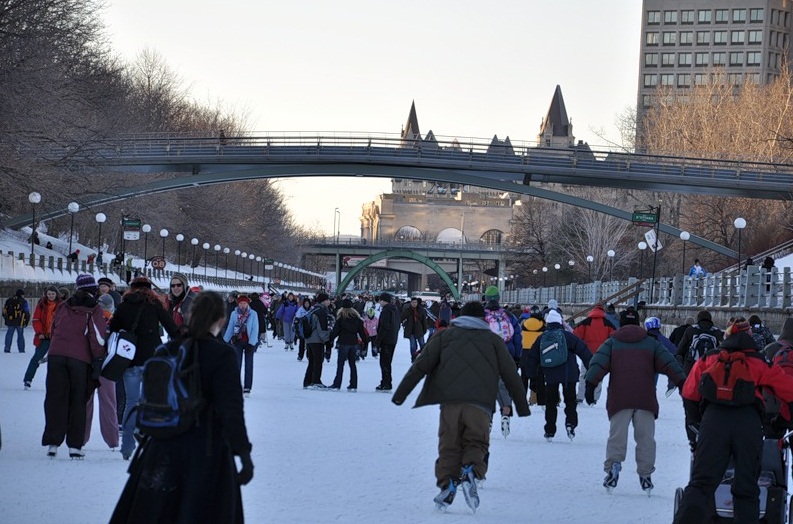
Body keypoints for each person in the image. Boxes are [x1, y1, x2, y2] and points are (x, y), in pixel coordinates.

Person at [110, 291, 253, 524]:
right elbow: (231, 409)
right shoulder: (222, 355)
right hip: (205, 450)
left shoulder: (167, 350)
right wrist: (243, 454)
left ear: (190, 315)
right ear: (221, 319)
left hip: (161, 448)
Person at [392, 300, 530, 513]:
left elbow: (420, 366)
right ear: (483, 320)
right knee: (476, 441)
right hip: (481, 404)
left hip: (450, 402)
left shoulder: (444, 336)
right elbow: (510, 374)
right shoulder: (494, 340)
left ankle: (447, 485)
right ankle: (471, 472)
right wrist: (521, 406)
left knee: (449, 444)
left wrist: (401, 394)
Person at [674, 318, 793, 523]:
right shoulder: (758, 361)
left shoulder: (709, 359)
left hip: (713, 421)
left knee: (701, 483)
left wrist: (694, 427)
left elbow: (689, 393)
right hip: (748, 423)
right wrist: (781, 422)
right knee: (746, 487)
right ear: (749, 337)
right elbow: (788, 391)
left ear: (726, 336)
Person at [585, 308, 686, 494]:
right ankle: (646, 473)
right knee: (646, 438)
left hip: (619, 398)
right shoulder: (650, 343)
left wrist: (590, 385)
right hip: (645, 398)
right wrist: (681, 382)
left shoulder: (612, 342)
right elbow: (669, 362)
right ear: (639, 323)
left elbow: (597, 363)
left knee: (617, 436)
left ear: (621, 323)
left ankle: (614, 466)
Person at [110, 276, 180, 460]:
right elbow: (172, 329)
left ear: (131, 289)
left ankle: (126, 447)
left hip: (129, 359)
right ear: (150, 289)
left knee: (131, 403)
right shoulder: (155, 305)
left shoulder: (123, 306)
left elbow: (112, 329)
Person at [41, 274, 106, 459]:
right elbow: (98, 337)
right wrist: (98, 358)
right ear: (93, 289)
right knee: (78, 400)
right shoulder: (94, 308)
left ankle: (53, 443)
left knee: (55, 397)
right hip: (80, 359)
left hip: (56, 355)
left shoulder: (64, 305)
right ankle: (74, 446)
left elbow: (54, 327)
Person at [525, 309, 591, 441]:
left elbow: (532, 357)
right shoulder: (568, 336)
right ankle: (570, 424)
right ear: (560, 322)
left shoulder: (542, 337)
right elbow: (583, 350)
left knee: (551, 403)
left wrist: (531, 374)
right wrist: (591, 366)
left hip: (550, 375)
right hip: (569, 375)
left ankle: (550, 430)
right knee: (570, 401)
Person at [675, 309, 724, 450]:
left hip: (691, 373)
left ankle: (693, 438)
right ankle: (710, 437)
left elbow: (680, 350)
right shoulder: (717, 332)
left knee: (690, 408)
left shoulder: (691, 330)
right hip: (712, 375)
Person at [482, 286, 523, 437]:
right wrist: (517, 357)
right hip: (507, 355)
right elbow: (518, 337)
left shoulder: (481, 316)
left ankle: (488, 418)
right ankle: (505, 413)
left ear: (485, 299)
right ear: (499, 299)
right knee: (504, 387)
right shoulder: (508, 315)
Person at [84, 293, 119, 450]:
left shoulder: (89, 318)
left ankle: (81, 438)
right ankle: (112, 440)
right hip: (107, 366)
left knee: (85, 402)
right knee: (109, 403)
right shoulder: (115, 321)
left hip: (90, 363)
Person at [573, 303, 617, 403]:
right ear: (603, 311)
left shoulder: (585, 322)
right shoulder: (608, 323)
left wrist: (581, 347)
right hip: (602, 354)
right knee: (598, 376)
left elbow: (576, 335)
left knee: (584, 375)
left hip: (586, 353)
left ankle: (580, 396)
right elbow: (614, 338)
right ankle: (594, 398)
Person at [23, 286, 60, 389]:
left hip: (56, 338)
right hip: (44, 337)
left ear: (56, 294)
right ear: (46, 294)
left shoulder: (61, 306)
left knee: (57, 361)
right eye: (49, 294)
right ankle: (28, 379)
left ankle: (55, 383)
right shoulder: (41, 305)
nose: (51, 296)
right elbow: (36, 319)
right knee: (36, 358)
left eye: (53, 294)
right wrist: (39, 333)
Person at [328, 298, 368, 391]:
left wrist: (330, 340)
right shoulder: (357, 319)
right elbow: (362, 332)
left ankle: (337, 384)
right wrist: (365, 342)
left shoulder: (341, 318)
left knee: (340, 364)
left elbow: (336, 331)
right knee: (352, 364)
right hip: (354, 343)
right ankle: (353, 384)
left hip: (343, 342)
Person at [223, 295, 260, 396]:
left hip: (249, 342)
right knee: (236, 365)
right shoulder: (234, 314)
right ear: (238, 304)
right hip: (237, 342)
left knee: (248, 365)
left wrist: (252, 343)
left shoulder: (253, 314)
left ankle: (247, 387)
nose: (243, 305)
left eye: (244, 303)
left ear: (247, 304)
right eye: (241, 303)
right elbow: (230, 327)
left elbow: (255, 329)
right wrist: (225, 340)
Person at [303, 293, 333, 389]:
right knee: (318, 361)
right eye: (328, 300)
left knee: (311, 361)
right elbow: (321, 329)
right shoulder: (321, 312)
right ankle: (316, 380)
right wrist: (327, 340)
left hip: (310, 339)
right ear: (323, 301)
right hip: (317, 340)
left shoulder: (313, 310)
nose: (329, 301)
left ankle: (308, 381)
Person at [374, 292, 400, 392]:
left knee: (384, 362)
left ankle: (386, 383)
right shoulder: (395, 310)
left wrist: (378, 340)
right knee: (387, 362)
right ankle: (386, 382)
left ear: (383, 300)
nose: (379, 302)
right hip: (392, 339)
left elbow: (384, 326)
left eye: (380, 300)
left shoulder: (386, 311)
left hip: (386, 339)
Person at [401, 297, 429, 362]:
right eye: (413, 302)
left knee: (422, 344)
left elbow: (424, 321)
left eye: (415, 302)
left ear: (417, 303)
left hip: (419, 330)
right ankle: (413, 358)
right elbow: (402, 318)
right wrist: (404, 323)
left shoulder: (421, 310)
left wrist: (425, 329)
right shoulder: (407, 311)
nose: (414, 304)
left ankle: (423, 357)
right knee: (413, 346)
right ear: (411, 303)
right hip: (411, 331)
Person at [3, 289, 29, 353]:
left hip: (10, 320)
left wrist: (6, 318)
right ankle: (21, 350)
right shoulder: (23, 301)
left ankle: (7, 349)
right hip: (20, 321)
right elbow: (27, 311)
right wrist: (26, 321)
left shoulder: (9, 300)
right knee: (20, 335)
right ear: (22, 295)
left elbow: (4, 311)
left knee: (9, 334)